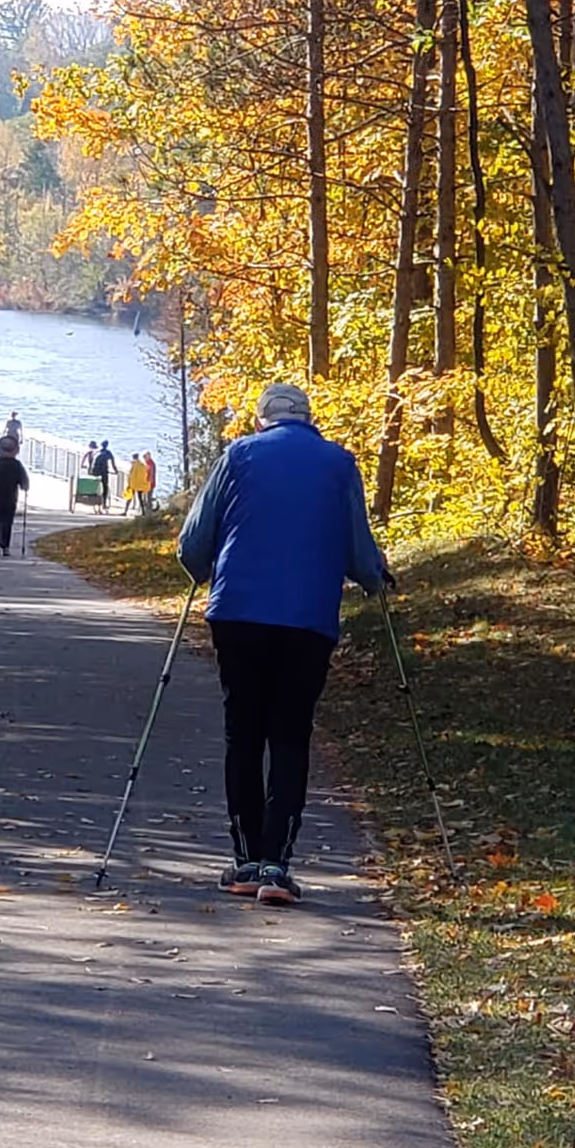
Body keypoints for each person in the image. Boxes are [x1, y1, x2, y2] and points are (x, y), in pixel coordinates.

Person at [178, 382, 393, 907]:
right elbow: (359, 549)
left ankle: (246, 860)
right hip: (308, 619)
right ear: (308, 419)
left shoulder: (238, 455)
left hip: (239, 613)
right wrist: (374, 578)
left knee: (243, 732)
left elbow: (192, 542)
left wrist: (204, 572)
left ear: (261, 421)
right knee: (292, 735)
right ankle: (277, 865)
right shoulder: (340, 463)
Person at [0, 436, 30, 557]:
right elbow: (25, 483)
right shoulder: (17, 465)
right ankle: (6, 547)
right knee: (8, 521)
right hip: (10, 497)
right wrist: (24, 487)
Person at [91, 439, 117, 510]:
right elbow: (113, 463)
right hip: (103, 472)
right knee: (105, 487)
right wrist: (116, 471)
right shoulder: (108, 453)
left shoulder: (97, 452)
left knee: (95, 485)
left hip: (95, 471)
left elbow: (92, 461)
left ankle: (94, 499)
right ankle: (104, 503)